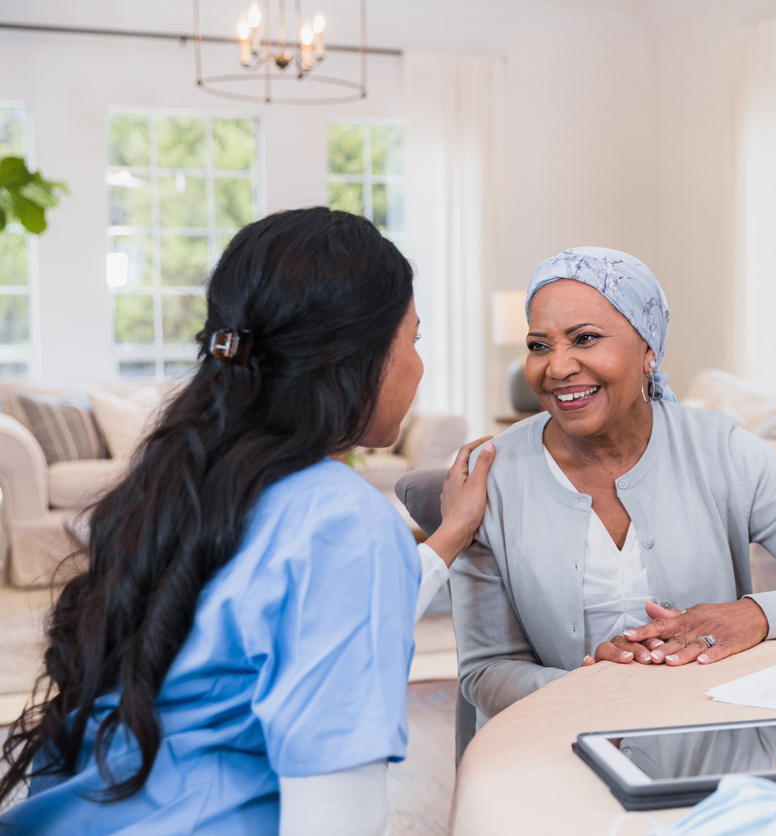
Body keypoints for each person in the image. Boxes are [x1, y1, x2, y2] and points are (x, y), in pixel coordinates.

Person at [0, 208, 496, 835]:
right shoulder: (341, 521)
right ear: (358, 353)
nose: (418, 365)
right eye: (415, 339)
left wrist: (450, 534)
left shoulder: (190, 480)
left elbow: (306, 609)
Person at [451, 246, 776, 722]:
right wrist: (590, 688)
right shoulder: (494, 474)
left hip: (712, 740)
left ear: (648, 349)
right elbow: (485, 672)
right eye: (539, 345)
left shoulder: (720, 450)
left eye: (585, 339)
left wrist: (753, 615)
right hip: (554, 746)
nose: (558, 367)